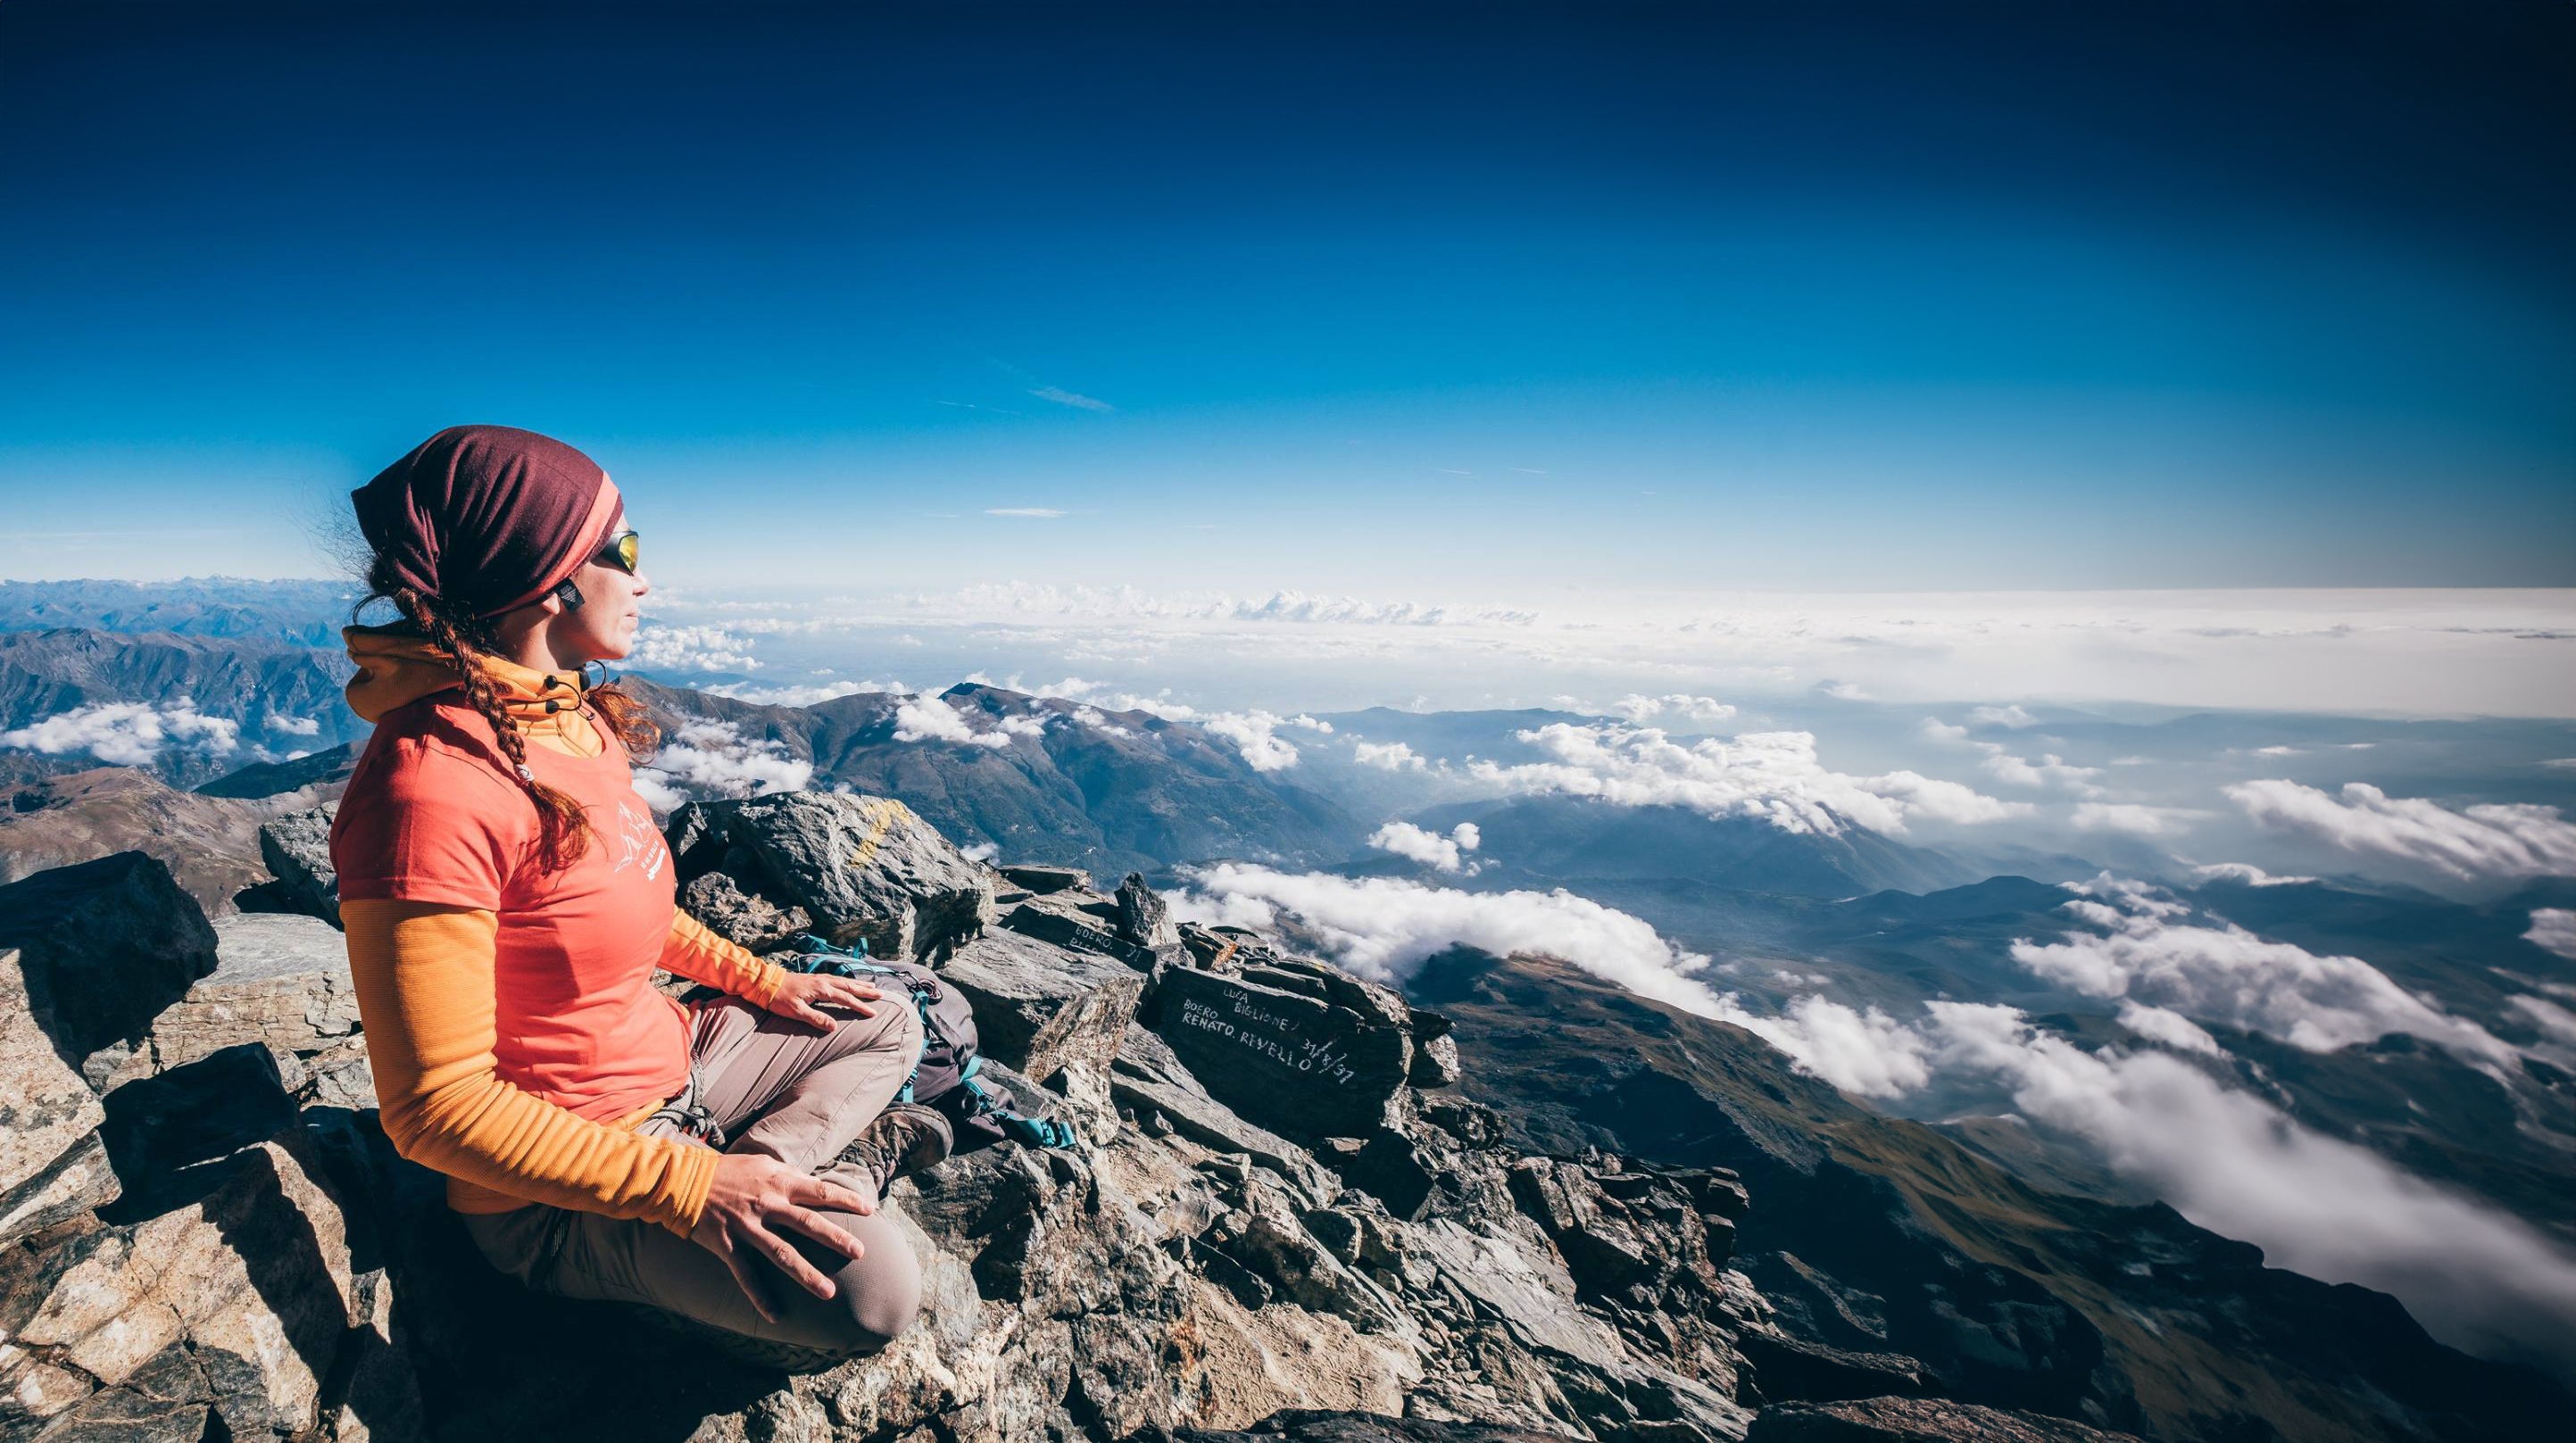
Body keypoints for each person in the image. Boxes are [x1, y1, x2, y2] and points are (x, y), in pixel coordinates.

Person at [328, 424, 948, 1362]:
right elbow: (435, 1110)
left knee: (894, 1017)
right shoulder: (429, 792)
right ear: (549, 576)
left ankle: (767, 1175)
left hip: (680, 1065)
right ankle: (769, 1191)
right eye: (625, 550)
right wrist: (685, 1190)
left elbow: (626, 905)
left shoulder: (567, 717)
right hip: (557, 1192)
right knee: (874, 1297)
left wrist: (767, 984)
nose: (644, 580)